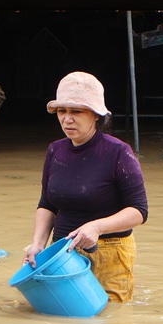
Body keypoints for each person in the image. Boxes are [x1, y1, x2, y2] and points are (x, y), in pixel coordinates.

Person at [24, 71, 148, 303]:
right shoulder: (55, 150)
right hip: (62, 255)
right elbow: (47, 204)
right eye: (62, 111)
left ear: (96, 116)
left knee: (110, 318)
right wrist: (38, 244)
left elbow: (139, 211)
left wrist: (96, 227)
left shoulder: (118, 152)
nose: (67, 119)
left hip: (110, 253)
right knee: (64, 318)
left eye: (77, 111)